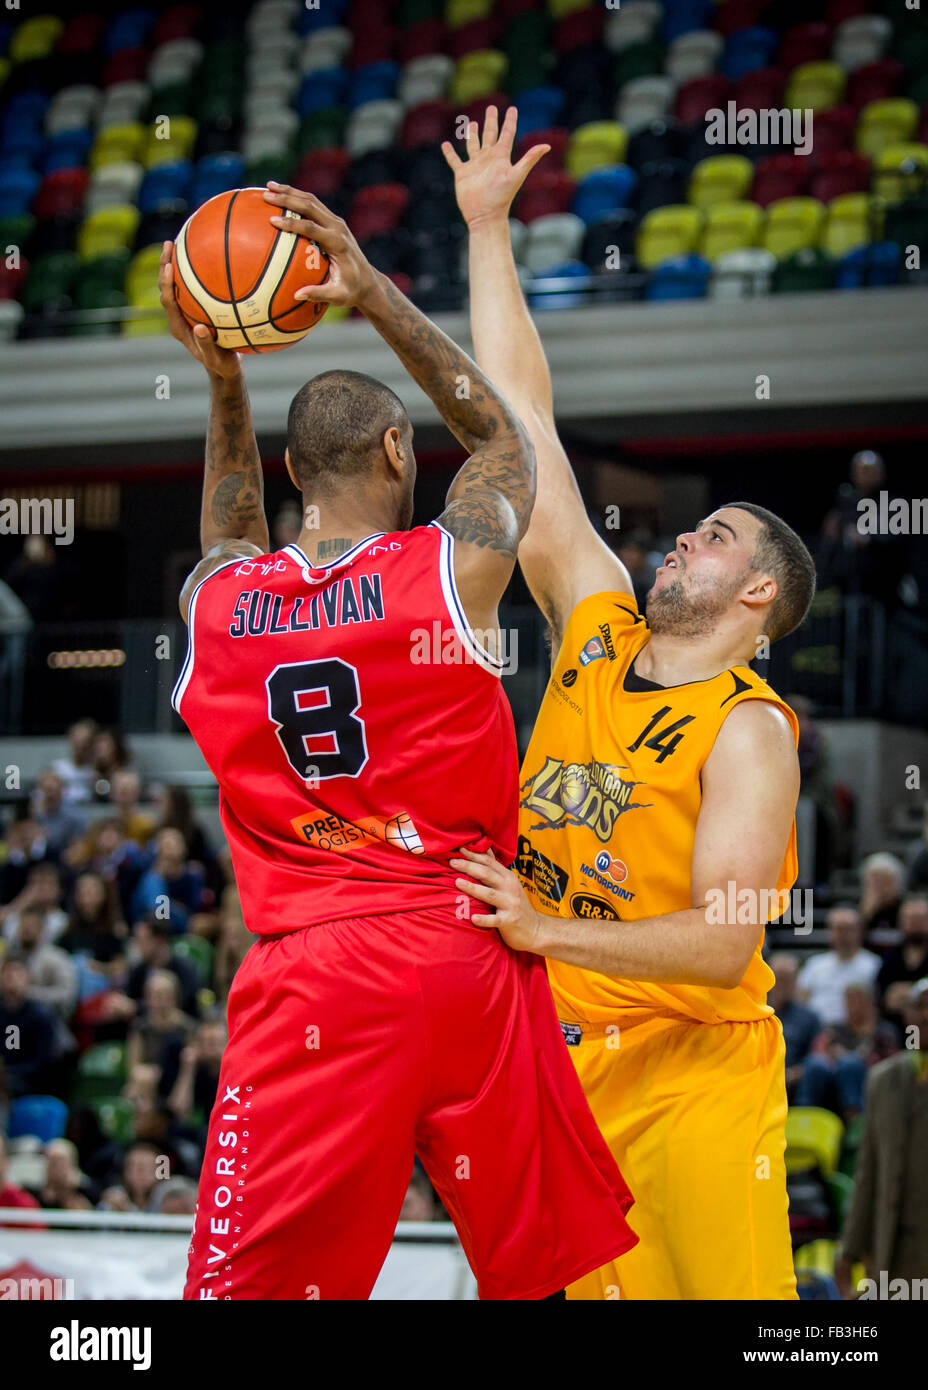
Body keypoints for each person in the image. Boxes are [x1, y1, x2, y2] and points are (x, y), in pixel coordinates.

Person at [156, 183, 637, 1302]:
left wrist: (223, 374)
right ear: (391, 446)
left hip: (318, 973)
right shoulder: (443, 569)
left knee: (258, 1285)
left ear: (288, 474)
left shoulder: (220, 600)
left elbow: (225, 526)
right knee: (537, 1271)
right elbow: (499, 437)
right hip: (468, 944)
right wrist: (371, 292)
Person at [445, 106, 816, 1301]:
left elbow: (724, 943)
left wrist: (543, 930)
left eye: (713, 538)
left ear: (756, 591)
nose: (679, 544)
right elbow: (523, 425)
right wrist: (488, 230)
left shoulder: (750, 731)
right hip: (564, 1073)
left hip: (697, 1070)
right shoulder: (595, 628)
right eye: (686, 530)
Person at [836, 979, 928, 1293]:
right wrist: (850, 1247)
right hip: (893, 1247)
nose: (926, 1015)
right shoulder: (882, 1080)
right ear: (907, 1016)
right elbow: (868, 1172)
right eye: (920, 1005)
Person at [796, 981, 898, 1121]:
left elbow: (892, 1063)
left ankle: (855, 1121)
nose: (853, 1004)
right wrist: (833, 1057)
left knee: (850, 1064)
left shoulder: (883, 1031)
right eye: (849, 999)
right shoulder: (835, 1029)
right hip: (831, 1080)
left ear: (870, 1002)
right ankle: (803, 1118)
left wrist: (851, 1056)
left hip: (866, 1082)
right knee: (814, 1065)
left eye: (858, 999)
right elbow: (818, 1050)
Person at [797, 905, 881, 1026]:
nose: (843, 935)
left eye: (848, 929)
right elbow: (801, 1000)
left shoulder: (873, 964)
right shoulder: (815, 965)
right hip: (817, 1031)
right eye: (838, 929)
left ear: (859, 931)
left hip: (855, 1030)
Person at [0, 957, 59, 1097]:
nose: (12, 979)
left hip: (32, 1082)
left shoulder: (41, 1015)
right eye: (7, 975)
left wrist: (9, 1074)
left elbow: (44, 1062)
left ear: (28, 979)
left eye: (17, 974)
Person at [769, 952, 821, 1100]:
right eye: (778, 979)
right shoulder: (755, 1012)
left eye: (787, 980)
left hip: (795, 1080)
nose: (782, 985)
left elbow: (816, 1055)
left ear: (796, 981)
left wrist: (792, 1074)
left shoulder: (809, 1017)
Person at [878, 894, 928, 1033]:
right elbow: (888, 1001)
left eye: (920, 919)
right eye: (911, 919)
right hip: (896, 1029)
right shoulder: (890, 959)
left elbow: (898, 996)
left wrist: (906, 993)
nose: (915, 924)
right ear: (901, 922)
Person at [51, 717, 98, 805]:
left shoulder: (95, 770)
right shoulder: (57, 768)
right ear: (70, 739)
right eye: (77, 740)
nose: (81, 745)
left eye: (85, 741)